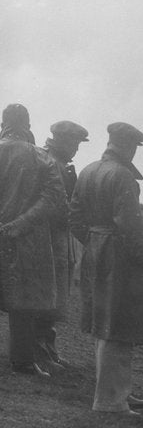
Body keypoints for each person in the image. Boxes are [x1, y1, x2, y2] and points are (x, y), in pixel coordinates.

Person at [69, 121, 143, 414]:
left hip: (94, 249)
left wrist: (94, 240)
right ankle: (110, 401)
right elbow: (130, 225)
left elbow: (74, 217)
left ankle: (116, 393)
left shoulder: (88, 170)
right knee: (118, 327)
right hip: (119, 256)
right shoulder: (124, 176)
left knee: (103, 325)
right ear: (128, 146)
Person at [0, 104, 67, 376]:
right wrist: (20, 224)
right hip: (26, 239)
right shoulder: (41, 157)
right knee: (23, 301)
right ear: (27, 124)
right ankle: (23, 360)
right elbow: (55, 200)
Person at [37, 120, 89, 369]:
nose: (76, 149)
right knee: (46, 293)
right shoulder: (47, 162)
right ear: (59, 140)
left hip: (59, 238)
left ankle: (47, 348)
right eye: (73, 143)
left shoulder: (61, 165)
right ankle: (39, 351)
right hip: (46, 237)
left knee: (55, 293)